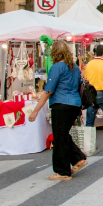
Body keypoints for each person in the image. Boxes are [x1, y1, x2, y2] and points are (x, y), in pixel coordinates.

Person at [29, 41, 87, 181]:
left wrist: (36, 110)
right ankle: (78, 158)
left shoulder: (57, 67)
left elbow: (48, 90)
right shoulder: (74, 67)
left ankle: (62, 171)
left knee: (59, 138)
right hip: (74, 103)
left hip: (61, 104)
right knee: (63, 134)